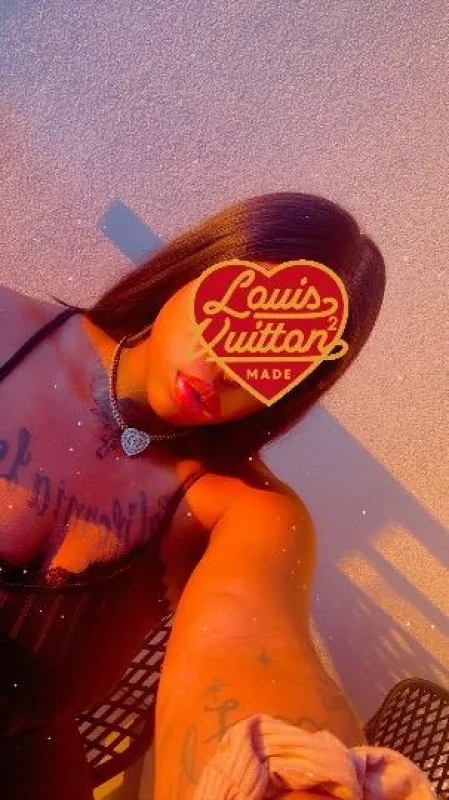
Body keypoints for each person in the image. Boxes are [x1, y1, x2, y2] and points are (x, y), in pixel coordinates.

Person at [0, 192, 386, 799]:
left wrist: (295, 775)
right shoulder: (6, 330)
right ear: (195, 270)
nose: (226, 365)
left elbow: (254, 645)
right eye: (234, 312)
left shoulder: (238, 509)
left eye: (280, 351)